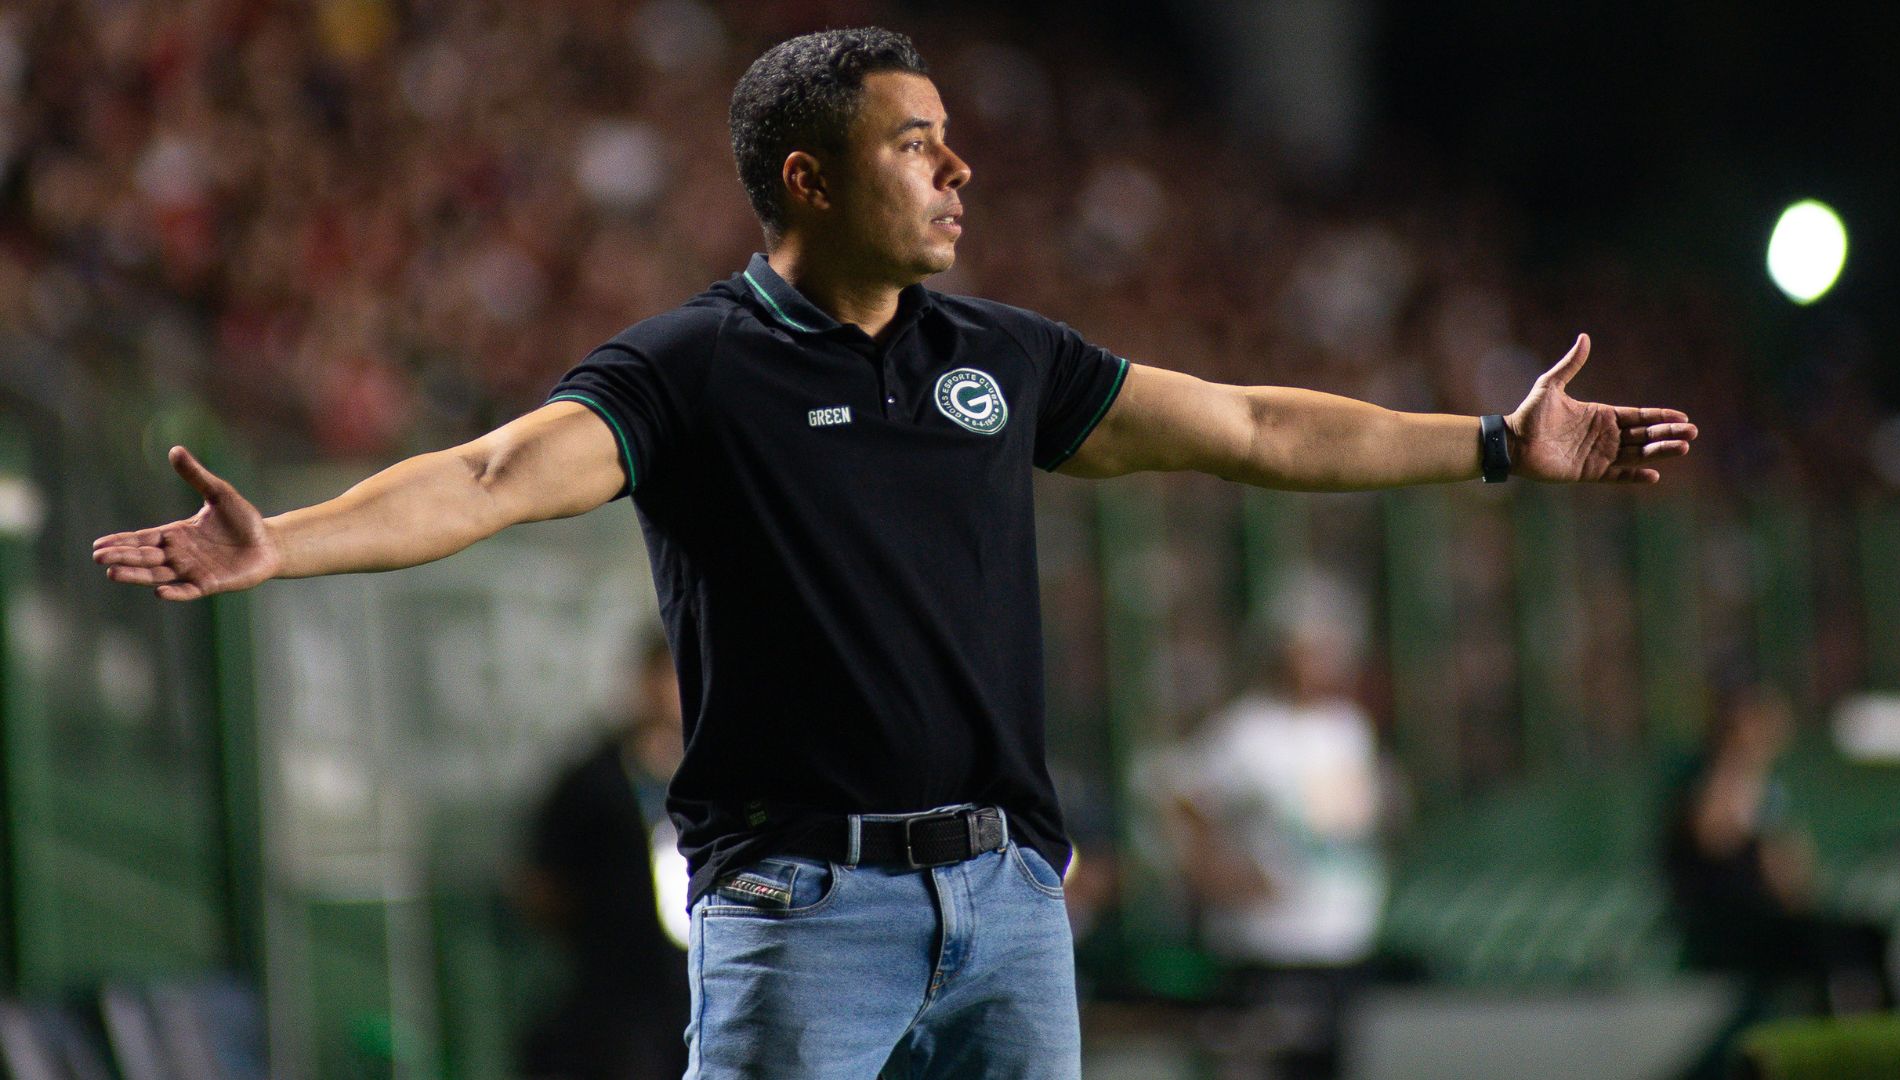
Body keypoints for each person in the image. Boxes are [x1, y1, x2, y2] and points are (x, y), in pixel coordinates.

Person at [92, 27, 1697, 1079]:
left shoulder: (1005, 353)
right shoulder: (696, 368)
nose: (960, 168)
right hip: (802, 914)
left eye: (951, 139)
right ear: (811, 177)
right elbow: (498, 471)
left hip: (1009, 906)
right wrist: (280, 547)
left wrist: (1495, 444)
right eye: (918, 143)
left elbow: (1260, 432)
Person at [1164, 568, 1390, 1078]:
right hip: (1270, 945)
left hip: (1341, 937)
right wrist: (1219, 874)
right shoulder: (1247, 731)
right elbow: (1182, 802)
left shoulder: (1348, 727)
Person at [1661, 679, 1894, 1078]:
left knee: (1866, 938)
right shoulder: (1710, 775)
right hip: (1726, 923)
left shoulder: (1768, 789)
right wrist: (1737, 761)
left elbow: (1789, 876)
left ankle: (1871, 1047)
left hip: (1767, 920)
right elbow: (1712, 834)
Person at [517, 633, 689, 1080]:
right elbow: (544, 885)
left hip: (704, 985)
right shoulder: (592, 782)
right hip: (621, 997)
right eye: (663, 677)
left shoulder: (720, 779)